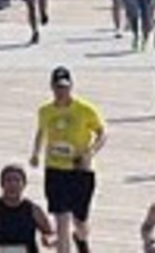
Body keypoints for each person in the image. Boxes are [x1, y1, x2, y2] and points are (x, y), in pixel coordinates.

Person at [30, 67, 107, 253]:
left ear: (71, 86)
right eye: (57, 87)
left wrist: (91, 152)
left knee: (80, 221)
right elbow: (41, 132)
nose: (61, 91)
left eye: (64, 87)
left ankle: (81, 239)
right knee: (61, 220)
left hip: (80, 170)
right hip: (55, 169)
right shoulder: (45, 111)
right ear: (51, 87)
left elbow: (102, 132)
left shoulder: (84, 109)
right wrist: (35, 154)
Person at [0, 164, 54, 252]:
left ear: (23, 184)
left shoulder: (34, 210)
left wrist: (48, 240)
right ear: (2, 184)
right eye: (8, 180)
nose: (13, 185)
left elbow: (50, 234)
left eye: (17, 181)